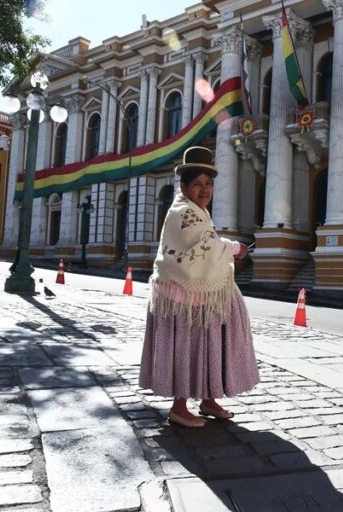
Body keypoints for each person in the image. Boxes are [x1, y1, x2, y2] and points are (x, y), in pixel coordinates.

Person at [139, 146, 259, 428]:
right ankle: (179, 407)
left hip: (197, 293)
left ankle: (208, 397)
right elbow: (201, 248)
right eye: (198, 184)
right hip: (182, 296)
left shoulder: (195, 210)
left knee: (208, 344)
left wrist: (225, 246)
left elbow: (204, 243)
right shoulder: (184, 211)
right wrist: (233, 247)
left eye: (209, 184)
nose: (205, 190)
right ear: (184, 186)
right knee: (188, 346)